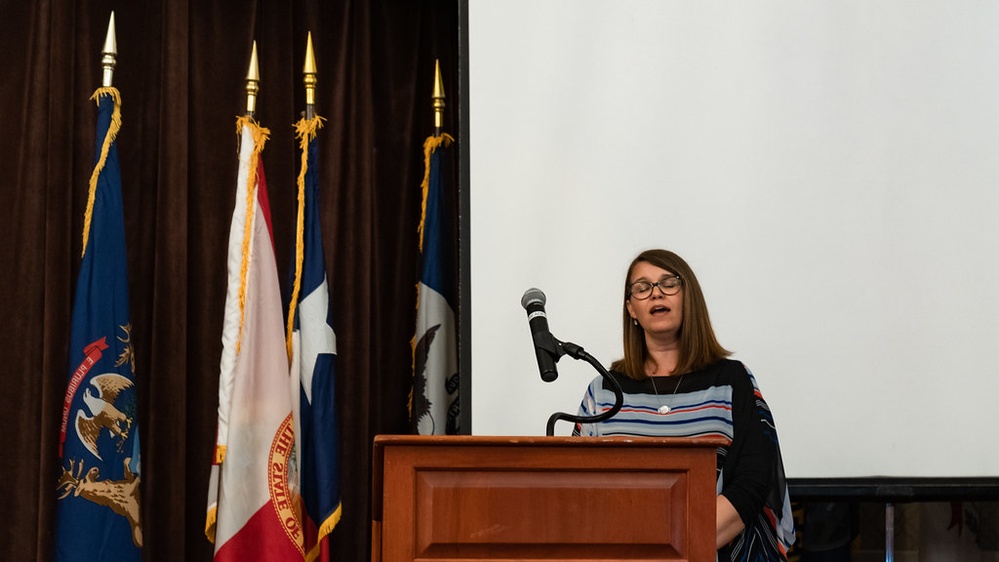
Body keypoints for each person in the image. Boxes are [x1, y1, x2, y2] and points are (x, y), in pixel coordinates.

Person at [573, 249, 795, 561]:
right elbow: (578, 488)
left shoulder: (732, 381)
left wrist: (674, 541)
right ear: (631, 308)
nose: (655, 294)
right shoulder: (604, 391)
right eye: (642, 287)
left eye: (668, 283)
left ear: (687, 298)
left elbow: (753, 479)